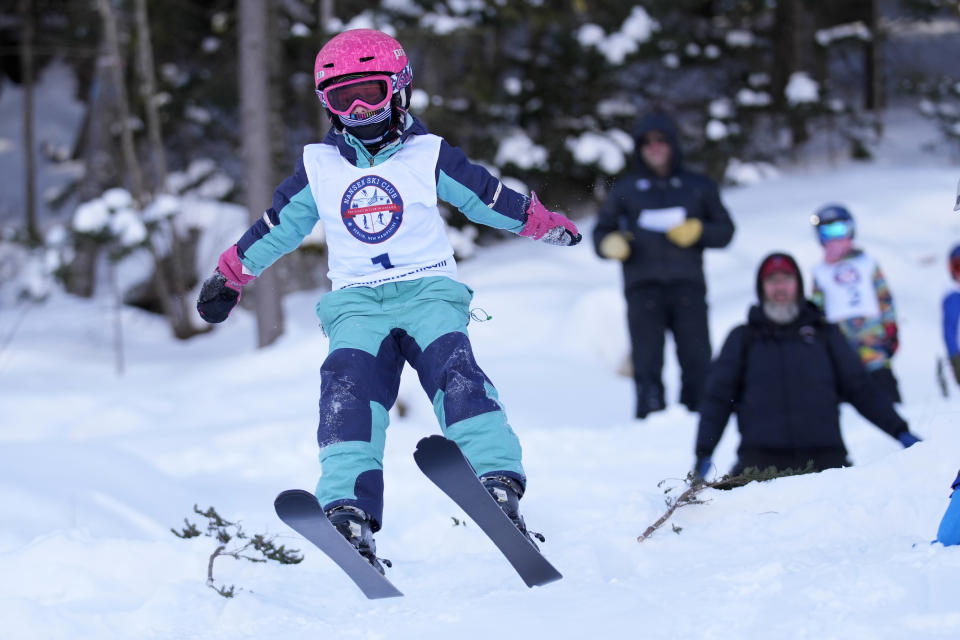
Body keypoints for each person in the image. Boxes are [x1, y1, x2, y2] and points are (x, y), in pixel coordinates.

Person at [195, 29, 580, 573]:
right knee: (346, 389)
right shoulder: (320, 168)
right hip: (356, 304)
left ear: (398, 91)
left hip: (427, 292)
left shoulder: (429, 155)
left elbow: (487, 197)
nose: (357, 109)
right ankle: (347, 510)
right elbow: (278, 226)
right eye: (341, 98)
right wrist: (230, 275)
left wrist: (542, 223)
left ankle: (496, 479)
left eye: (370, 93)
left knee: (458, 372)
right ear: (326, 104)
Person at [693, 252, 920, 479]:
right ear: (761, 288)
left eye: (786, 279)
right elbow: (718, 399)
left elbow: (860, 388)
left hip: (827, 464)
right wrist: (704, 452)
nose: (779, 287)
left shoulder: (825, 335)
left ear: (799, 285)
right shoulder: (743, 338)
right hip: (758, 466)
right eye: (772, 280)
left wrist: (899, 431)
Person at [593, 111, 735, 419]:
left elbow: (726, 230)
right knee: (646, 363)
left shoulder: (698, 185)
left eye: (661, 140)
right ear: (639, 148)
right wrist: (610, 244)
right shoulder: (626, 190)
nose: (654, 147)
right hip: (642, 288)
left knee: (698, 360)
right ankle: (649, 425)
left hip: (688, 286)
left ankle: (701, 419)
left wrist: (700, 231)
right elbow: (600, 232)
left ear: (672, 144)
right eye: (647, 142)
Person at [810, 204, 902, 404]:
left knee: (881, 380)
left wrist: (891, 327)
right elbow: (817, 309)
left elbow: (884, 297)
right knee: (846, 382)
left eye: (840, 230)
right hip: (840, 340)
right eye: (828, 232)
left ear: (850, 230)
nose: (835, 239)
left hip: (872, 338)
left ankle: (895, 412)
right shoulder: (820, 272)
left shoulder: (867, 263)